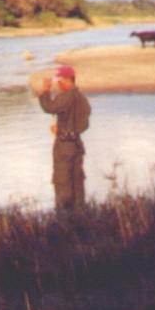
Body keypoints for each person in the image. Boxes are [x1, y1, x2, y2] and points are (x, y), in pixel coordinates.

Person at [35, 64, 91, 212]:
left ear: (66, 79)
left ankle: (64, 217)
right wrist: (65, 130)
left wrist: (45, 91)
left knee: (62, 182)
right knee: (77, 181)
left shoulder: (66, 97)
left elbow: (49, 108)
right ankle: (80, 214)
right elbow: (84, 124)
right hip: (77, 144)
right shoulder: (82, 98)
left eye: (59, 81)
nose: (58, 84)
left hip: (64, 146)